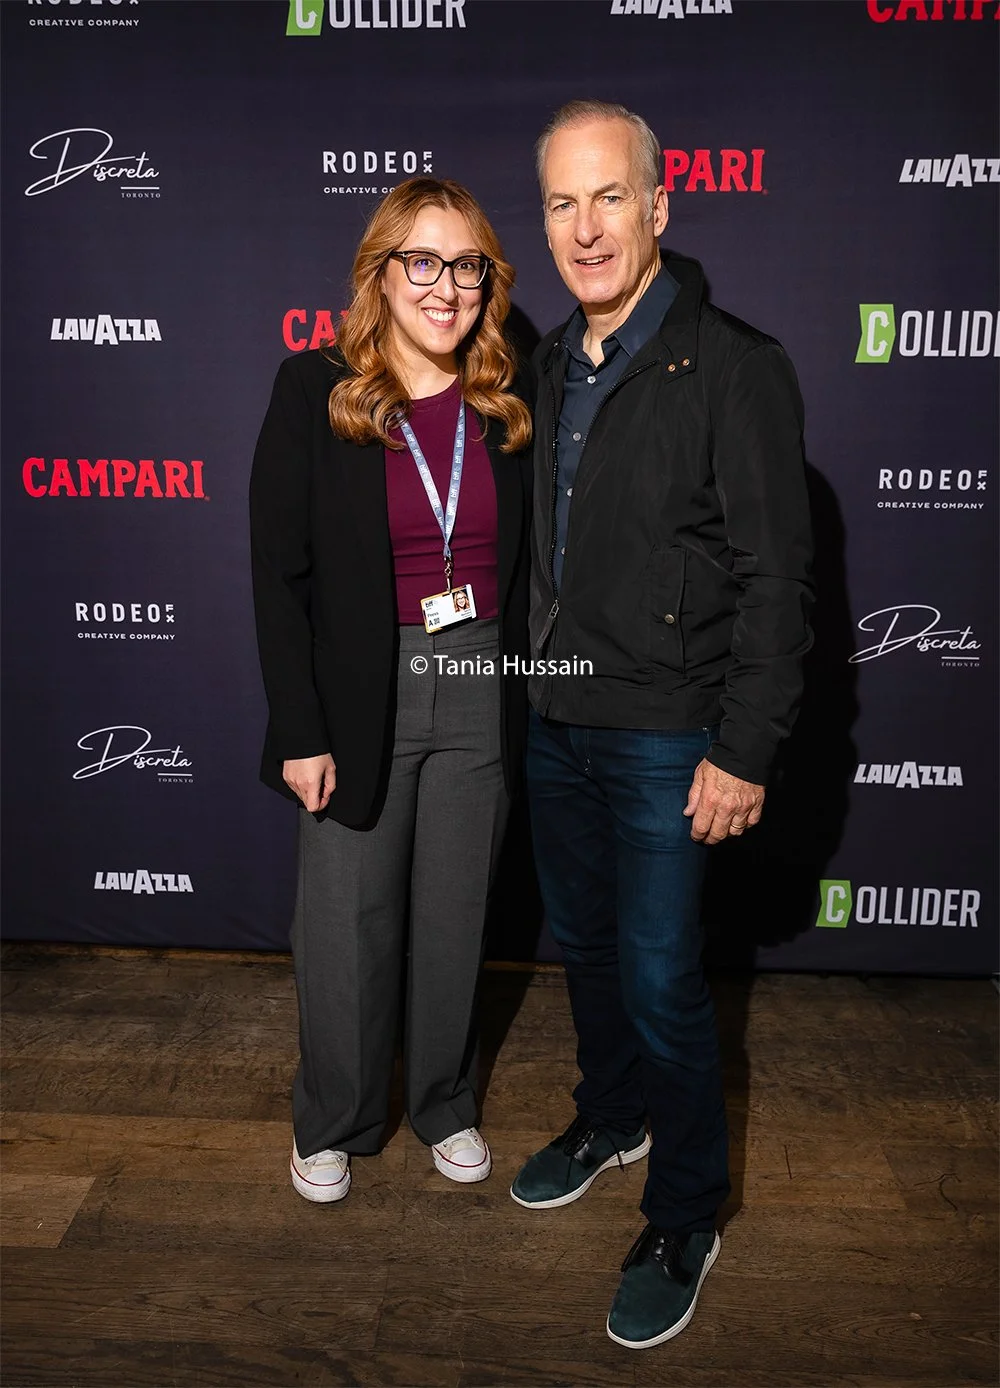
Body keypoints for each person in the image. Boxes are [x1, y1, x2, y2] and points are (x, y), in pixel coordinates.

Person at [510, 102, 813, 1348]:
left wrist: (743, 745)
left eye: (609, 197)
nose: (585, 228)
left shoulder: (733, 363)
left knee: (657, 974)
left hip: (663, 734)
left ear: (658, 205)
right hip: (557, 715)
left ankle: (687, 1205)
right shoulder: (542, 360)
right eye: (561, 204)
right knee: (581, 948)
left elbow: (776, 577)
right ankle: (611, 1112)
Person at [250, 177, 532, 1204]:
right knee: (344, 922)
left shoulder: (510, 392)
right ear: (381, 273)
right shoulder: (312, 387)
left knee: (457, 917)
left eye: (467, 265)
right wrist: (299, 724)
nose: (446, 286)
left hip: (480, 678)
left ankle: (446, 1101)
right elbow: (277, 574)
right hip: (358, 689)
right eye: (423, 261)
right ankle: (333, 1118)